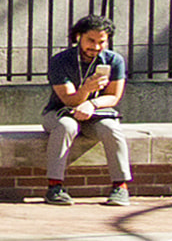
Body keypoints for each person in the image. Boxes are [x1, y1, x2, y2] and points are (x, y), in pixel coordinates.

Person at [41, 12, 131, 204]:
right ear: (78, 37)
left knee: (111, 128)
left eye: (102, 42)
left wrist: (92, 104)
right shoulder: (60, 61)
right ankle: (54, 187)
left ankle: (120, 187)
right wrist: (87, 89)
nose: (96, 47)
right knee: (67, 127)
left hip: (95, 115)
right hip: (59, 112)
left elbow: (113, 97)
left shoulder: (114, 61)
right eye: (91, 40)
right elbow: (68, 99)